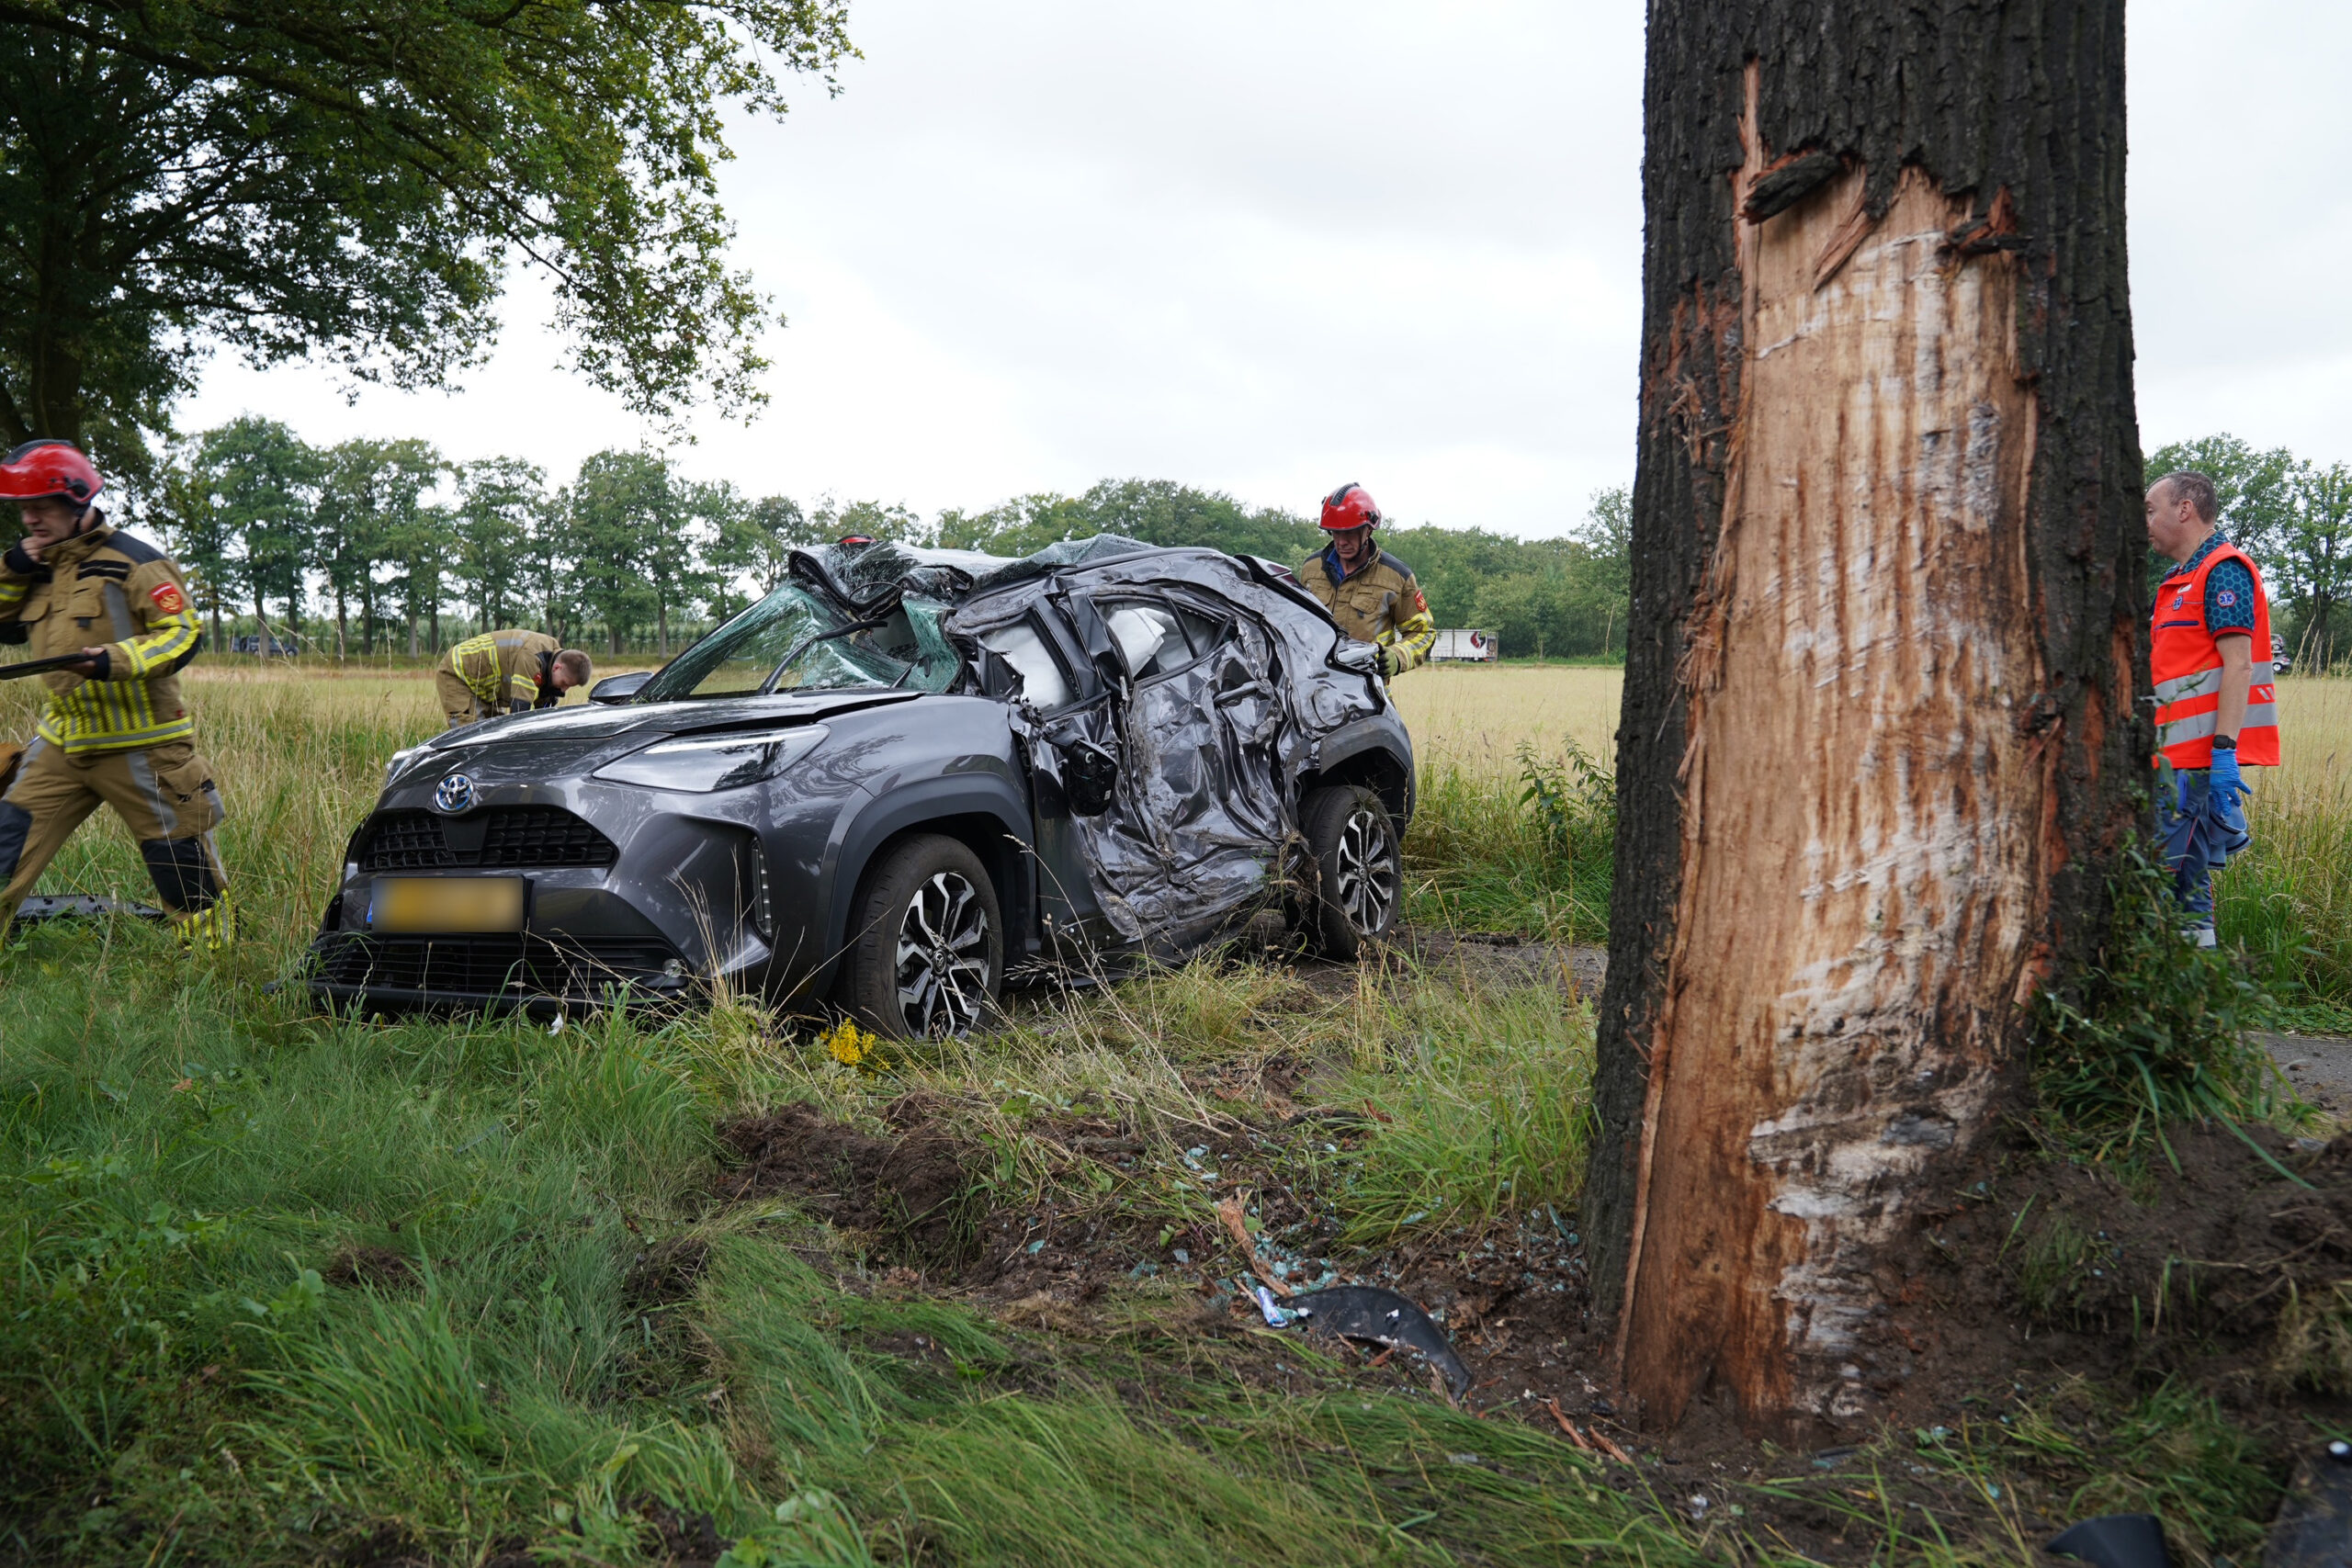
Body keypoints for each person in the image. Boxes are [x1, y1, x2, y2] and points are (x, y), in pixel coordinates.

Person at [0, 440, 231, 947]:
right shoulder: (31, 567)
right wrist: (14, 568)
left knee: (185, 877)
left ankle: (218, 977)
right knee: (3, 850)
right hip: (61, 745)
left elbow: (183, 633)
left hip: (144, 747)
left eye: (41, 506)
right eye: (23, 509)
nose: (30, 520)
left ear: (77, 499)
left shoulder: (137, 561)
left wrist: (114, 661)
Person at [2146, 468, 2279, 947]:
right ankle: (2190, 1000)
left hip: (2198, 764)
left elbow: (2239, 665)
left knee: (2171, 879)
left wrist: (2224, 752)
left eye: (2151, 509)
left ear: (2184, 509)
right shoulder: (2176, 580)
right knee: (2183, 882)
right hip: (2171, 762)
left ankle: (2185, 997)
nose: (2147, 521)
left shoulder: (2223, 570)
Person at [1295, 482, 1437, 679]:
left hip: (1368, 695)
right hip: (1315, 689)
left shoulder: (1396, 577)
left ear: (1368, 530)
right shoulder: (1311, 569)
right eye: (1336, 532)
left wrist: (1397, 657)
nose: (1341, 541)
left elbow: (1424, 634)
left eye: (1349, 532)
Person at [435, 629, 593, 728]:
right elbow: (519, 714)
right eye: (564, 683)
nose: (563, 690)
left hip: (482, 687)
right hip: (456, 673)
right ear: (557, 668)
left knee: (492, 730)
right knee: (469, 733)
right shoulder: (531, 657)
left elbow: (542, 713)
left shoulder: (551, 657)